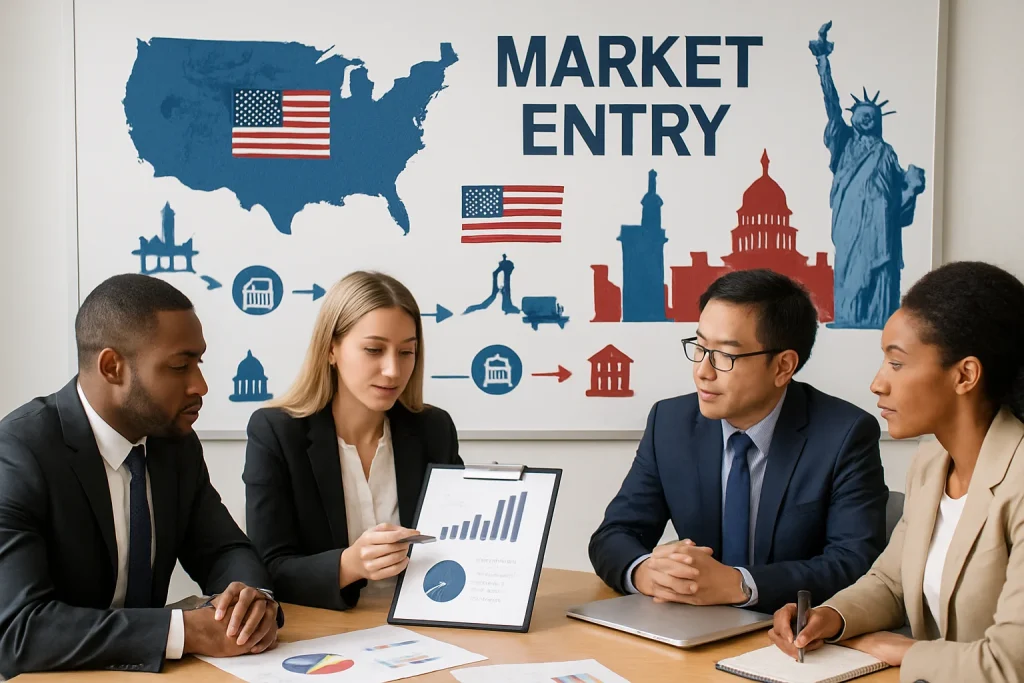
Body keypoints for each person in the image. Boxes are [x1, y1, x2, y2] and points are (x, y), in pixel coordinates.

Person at [0, 274, 281, 678]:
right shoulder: (20, 453)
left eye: (198, 363)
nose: (200, 384)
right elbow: (17, 632)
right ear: (113, 367)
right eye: (180, 366)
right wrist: (183, 630)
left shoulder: (175, 445)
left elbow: (223, 550)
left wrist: (253, 602)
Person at [768, 261, 1024, 682]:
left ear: (965, 375)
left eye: (897, 363)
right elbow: (892, 581)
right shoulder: (931, 461)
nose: (877, 383)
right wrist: (830, 617)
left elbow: (1009, 664)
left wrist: (902, 651)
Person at [589, 269, 888, 614]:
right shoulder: (670, 424)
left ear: (783, 366)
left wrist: (738, 584)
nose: (703, 370)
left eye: (725, 356)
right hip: (691, 629)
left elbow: (854, 563)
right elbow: (614, 534)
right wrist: (646, 572)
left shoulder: (844, 435)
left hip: (789, 633)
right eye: (700, 347)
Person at [243, 271, 462, 611]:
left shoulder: (434, 429)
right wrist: (349, 566)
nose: (393, 370)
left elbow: (457, 545)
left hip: (425, 618)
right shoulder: (276, 431)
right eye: (374, 350)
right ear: (331, 349)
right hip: (324, 631)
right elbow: (267, 570)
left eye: (406, 352)